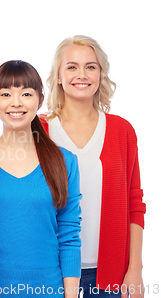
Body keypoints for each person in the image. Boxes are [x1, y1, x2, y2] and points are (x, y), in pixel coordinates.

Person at [43, 35, 146, 298]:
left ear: (101, 74)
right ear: (58, 76)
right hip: (51, 272)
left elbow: (135, 204)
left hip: (109, 277)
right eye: (72, 67)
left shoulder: (121, 131)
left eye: (91, 66)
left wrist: (135, 269)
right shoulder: (39, 129)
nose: (82, 74)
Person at [0, 60, 82, 297]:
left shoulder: (65, 161)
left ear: (40, 100)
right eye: (6, 93)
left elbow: (69, 234)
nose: (16, 102)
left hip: (49, 289)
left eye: (26, 93)